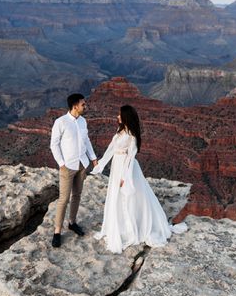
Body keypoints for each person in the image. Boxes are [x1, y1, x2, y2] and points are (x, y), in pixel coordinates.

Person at [91, 104, 187, 253]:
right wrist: (100, 165)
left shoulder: (132, 136)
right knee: (117, 196)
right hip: (116, 166)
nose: (117, 116)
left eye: (119, 115)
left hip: (125, 168)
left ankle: (133, 226)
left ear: (126, 117)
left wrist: (125, 177)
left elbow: (130, 157)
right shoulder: (120, 131)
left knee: (130, 196)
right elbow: (110, 149)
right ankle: (120, 224)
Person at [50, 93, 98, 248]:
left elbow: (87, 141)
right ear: (75, 106)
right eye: (83, 104)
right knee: (63, 199)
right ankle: (57, 231)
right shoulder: (61, 122)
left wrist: (93, 158)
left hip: (82, 164)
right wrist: (61, 163)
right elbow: (54, 144)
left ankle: (72, 222)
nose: (86, 106)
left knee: (77, 195)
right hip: (67, 166)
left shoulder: (83, 121)